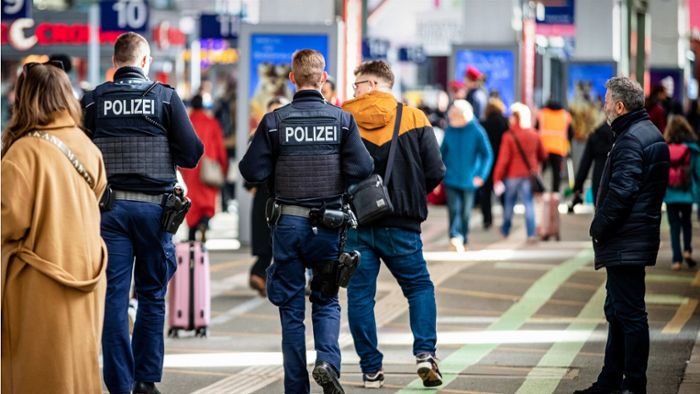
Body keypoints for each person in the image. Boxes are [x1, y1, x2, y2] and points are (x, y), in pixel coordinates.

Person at [239, 49, 373, 394]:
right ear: (323, 79)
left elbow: (251, 170)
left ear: (292, 80)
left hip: (288, 226)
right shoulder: (342, 121)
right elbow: (362, 168)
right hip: (328, 226)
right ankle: (327, 362)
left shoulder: (274, 121)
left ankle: (296, 387)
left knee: (291, 309)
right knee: (327, 299)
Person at [81, 32, 203, 394]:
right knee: (151, 295)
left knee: (113, 298)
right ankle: (145, 382)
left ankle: (118, 385)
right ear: (146, 62)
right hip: (155, 213)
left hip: (110, 212)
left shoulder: (93, 101)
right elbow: (192, 154)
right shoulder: (164, 98)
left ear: (115, 63)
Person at [2, 62, 107, 393]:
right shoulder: (87, 146)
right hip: (87, 275)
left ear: (26, 99)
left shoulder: (23, 151)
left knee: (39, 369)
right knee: (76, 366)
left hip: (38, 281)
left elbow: (10, 218)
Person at [342, 60, 445, 389]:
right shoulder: (414, 117)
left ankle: (371, 370)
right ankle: (425, 354)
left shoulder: (343, 118)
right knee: (418, 287)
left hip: (357, 222)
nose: (353, 91)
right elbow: (436, 171)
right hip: (402, 222)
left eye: (357, 85)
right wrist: (410, 196)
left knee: (360, 297)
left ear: (372, 85)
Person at [575, 76, 670, 394]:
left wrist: (598, 226)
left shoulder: (630, 139)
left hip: (625, 238)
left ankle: (633, 383)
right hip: (634, 236)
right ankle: (610, 379)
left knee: (629, 314)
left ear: (619, 105)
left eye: (605, 102)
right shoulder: (647, 133)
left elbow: (622, 191)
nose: (603, 107)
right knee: (617, 311)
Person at [247, 96, 290, 297]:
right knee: (268, 241)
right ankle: (262, 276)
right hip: (269, 196)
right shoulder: (258, 135)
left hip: (282, 196)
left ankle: (261, 276)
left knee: (275, 242)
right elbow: (249, 170)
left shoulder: (262, 135)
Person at [441, 99, 493, 251]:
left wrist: (481, 175)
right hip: (450, 178)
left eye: (454, 115)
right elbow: (441, 153)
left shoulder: (477, 130)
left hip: (469, 179)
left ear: (464, 115)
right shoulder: (450, 130)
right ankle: (454, 236)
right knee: (453, 209)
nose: (451, 118)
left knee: (465, 212)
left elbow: (487, 154)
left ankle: (463, 237)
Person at [492, 103, 547, 242]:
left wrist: (497, 177)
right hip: (529, 175)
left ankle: (505, 229)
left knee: (509, 203)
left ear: (516, 118)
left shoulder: (509, 136)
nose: (510, 119)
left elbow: (503, 159)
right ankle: (531, 234)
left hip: (512, 176)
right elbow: (543, 154)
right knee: (528, 204)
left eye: (512, 116)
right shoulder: (534, 134)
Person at [180, 94, 229, 242]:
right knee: (207, 201)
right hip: (208, 168)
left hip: (188, 168)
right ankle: (204, 222)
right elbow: (221, 148)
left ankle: (191, 233)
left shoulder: (185, 122)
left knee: (190, 200)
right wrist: (223, 167)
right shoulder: (212, 123)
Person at [663, 115, 700, 271]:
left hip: (670, 193)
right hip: (687, 192)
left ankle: (676, 259)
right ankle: (687, 250)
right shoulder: (693, 150)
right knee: (687, 223)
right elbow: (698, 172)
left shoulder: (665, 149)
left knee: (674, 225)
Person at [479, 97, 510, 229]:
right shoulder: (506, 123)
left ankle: (487, 220)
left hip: (487, 163)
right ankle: (506, 218)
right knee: (503, 191)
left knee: (486, 193)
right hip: (502, 162)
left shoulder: (483, 124)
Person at [572, 120, 614, 206]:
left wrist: (578, 186)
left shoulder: (595, 134)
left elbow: (585, 163)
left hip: (599, 177)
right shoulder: (618, 132)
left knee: (599, 210)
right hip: (615, 176)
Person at [536, 99, 573, 194]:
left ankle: (539, 190)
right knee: (556, 174)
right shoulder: (565, 116)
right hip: (558, 149)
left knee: (540, 172)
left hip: (543, 149)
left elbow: (536, 130)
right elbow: (570, 133)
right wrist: (568, 146)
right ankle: (555, 194)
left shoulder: (542, 114)